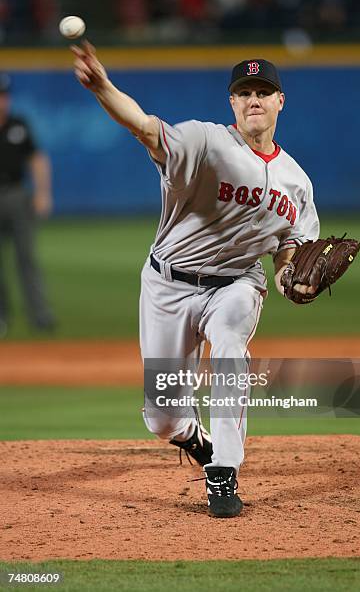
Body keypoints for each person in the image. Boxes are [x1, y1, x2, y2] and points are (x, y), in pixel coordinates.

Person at [72, 42, 319, 518]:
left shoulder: (297, 183)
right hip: (168, 284)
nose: (254, 99)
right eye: (244, 91)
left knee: (230, 344)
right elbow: (144, 127)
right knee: (162, 418)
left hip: (236, 285)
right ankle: (193, 437)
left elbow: (290, 245)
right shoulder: (204, 142)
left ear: (279, 102)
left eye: (263, 92)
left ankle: (224, 470)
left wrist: (289, 275)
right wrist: (103, 87)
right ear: (232, 102)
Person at [0, 73, 56, 337]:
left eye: (4, 96)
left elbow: (37, 159)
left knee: (27, 259)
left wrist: (43, 193)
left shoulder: (18, 125)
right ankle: (1, 317)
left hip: (16, 195)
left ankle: (40, 315)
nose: (1, 101)